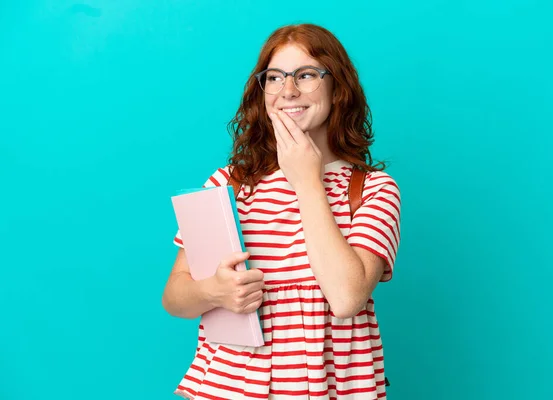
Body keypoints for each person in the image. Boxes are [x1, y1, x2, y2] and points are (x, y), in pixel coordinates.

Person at [162, 23, 401, 399]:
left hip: (331, 388)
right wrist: (214, 291)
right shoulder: (229, 184)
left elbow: (346, 298)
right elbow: (175, 295)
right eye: (275, 77)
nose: (288, 90)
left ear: (338, 89)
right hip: (227, 386)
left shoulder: (370, 189)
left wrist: (307, 182)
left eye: (306, 75)